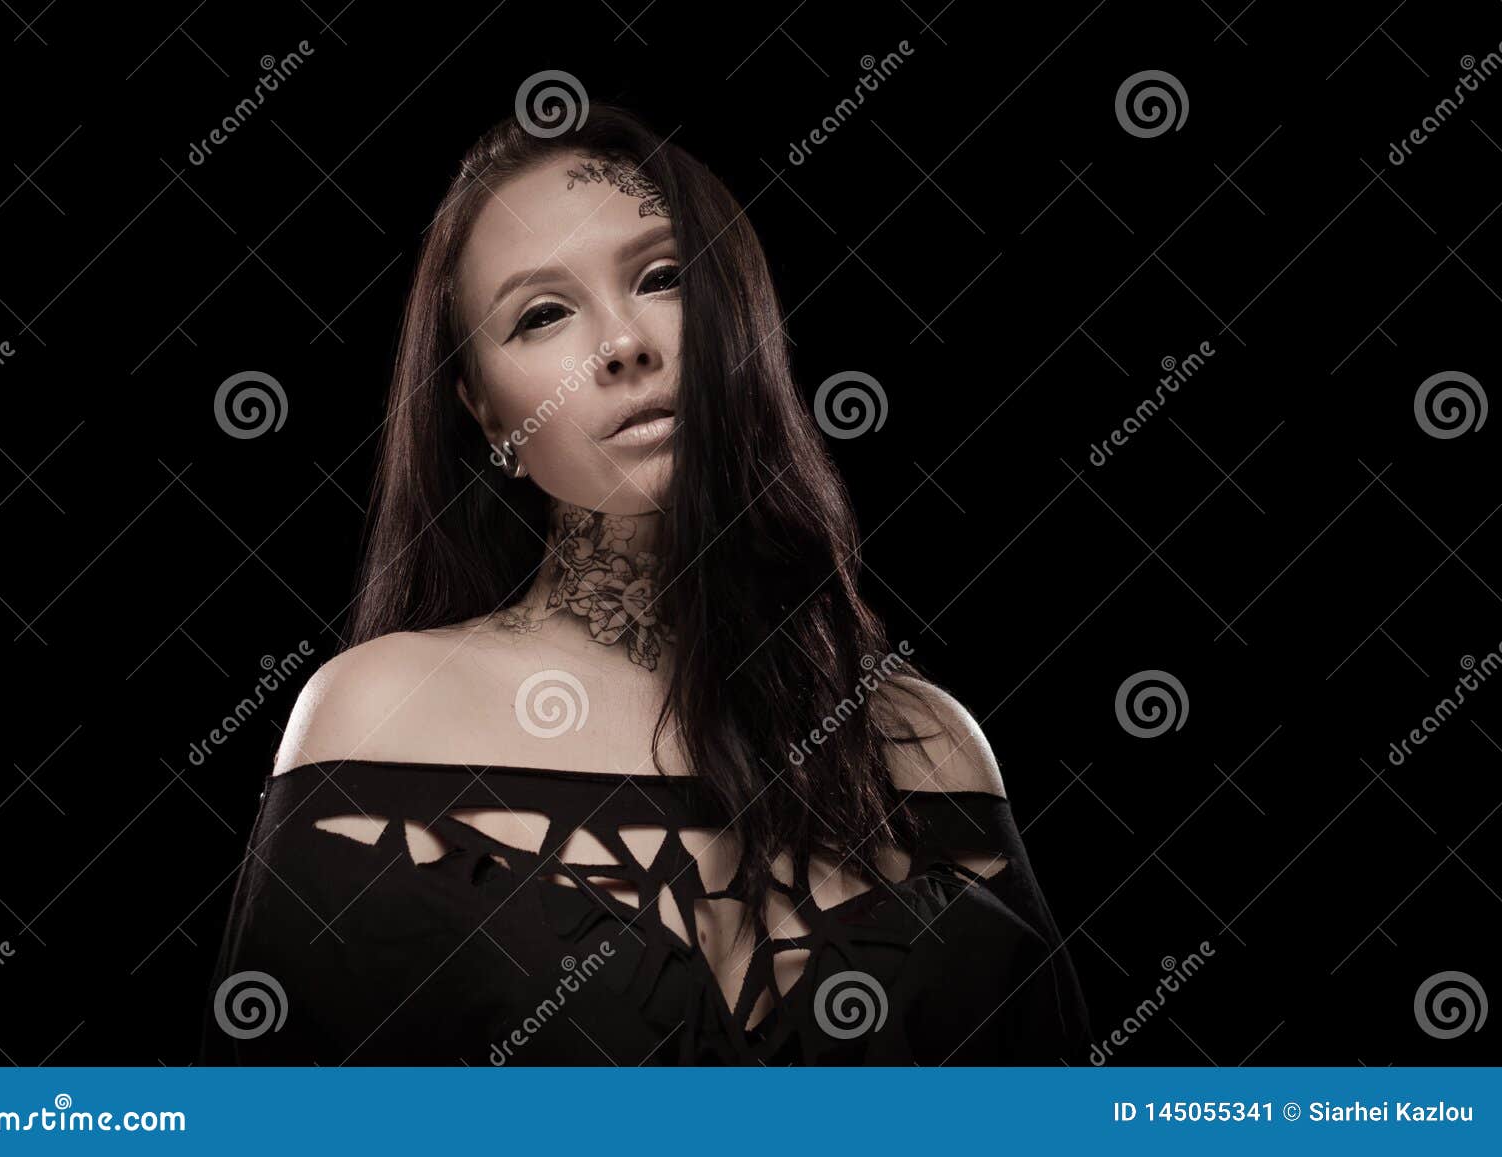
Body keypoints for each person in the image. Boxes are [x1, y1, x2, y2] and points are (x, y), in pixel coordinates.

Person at [199, 102, 1090, 1065]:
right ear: (479, 407)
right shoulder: (382, 711)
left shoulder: (929, 743)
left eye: (663, 277)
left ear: (740, 315)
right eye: (542, 314)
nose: (622, 344)